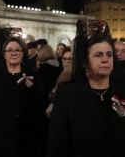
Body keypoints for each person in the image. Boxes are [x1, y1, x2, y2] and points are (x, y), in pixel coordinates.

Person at [47, 20, 125, 157]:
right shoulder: (68, 94)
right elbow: (57, 145)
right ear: (84, 62)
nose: (105, 59)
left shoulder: (122, 90)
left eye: (109, 54)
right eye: (98, 55)